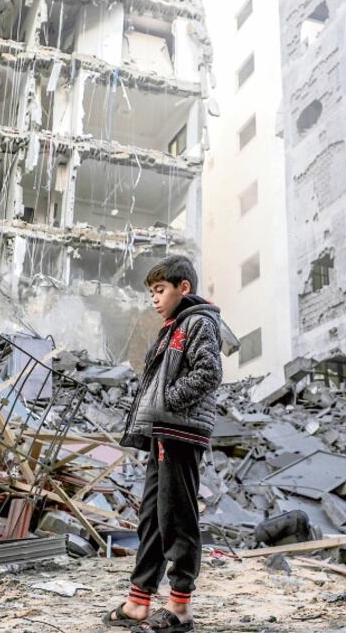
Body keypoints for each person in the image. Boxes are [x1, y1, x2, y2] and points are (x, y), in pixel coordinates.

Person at [103, 255, 222, 632]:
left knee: (177, 517)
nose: (154, 299)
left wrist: (168, 401)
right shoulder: (173, 327)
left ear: (183, 288)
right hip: (164, 434)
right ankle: (139, 601)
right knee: (152, 517)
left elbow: (209, 372)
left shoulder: (198, 322)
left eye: (160, 290)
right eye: (151, 292)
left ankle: (180, 607)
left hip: (180, 434)